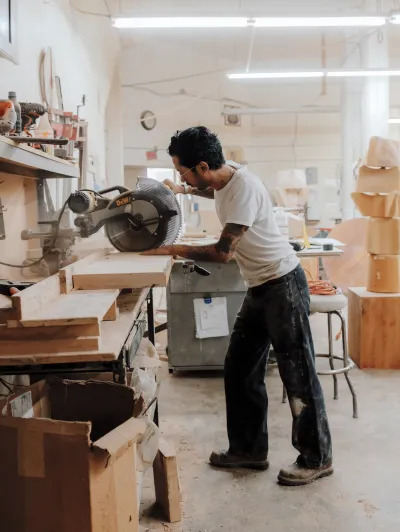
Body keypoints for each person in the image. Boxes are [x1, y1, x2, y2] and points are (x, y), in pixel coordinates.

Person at [143, 126, 333, 486]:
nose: (180, 177)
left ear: (202, 166)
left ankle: (317, 457)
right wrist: (180, 189)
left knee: (298, 374)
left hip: (283, 285)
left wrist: (170, 248)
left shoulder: (242, 189)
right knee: (239, 368)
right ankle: (248, 450)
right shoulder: (221, 175)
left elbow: (222, 252)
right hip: (260, 286)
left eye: (182, 172)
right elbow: (205, 188)